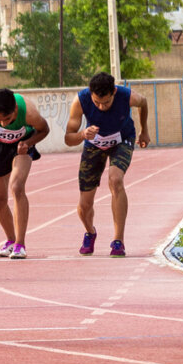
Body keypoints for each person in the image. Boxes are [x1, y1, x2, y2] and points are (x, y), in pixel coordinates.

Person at [63, 72, 150, 256]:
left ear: (114, 92)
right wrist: (82, 134)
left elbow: (144, 103)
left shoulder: (127, 96)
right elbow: (68, 139)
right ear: (90, 94)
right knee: (84, 205)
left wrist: (144, 130)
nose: (102, 107)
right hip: (94, 144)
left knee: (115, 179)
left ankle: (118, 241)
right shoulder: (80, 101)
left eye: (107, 102)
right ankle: (90, 232)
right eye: (97, 103)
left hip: (122, 139)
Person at [0, 88, 51, 259]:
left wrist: (29, 142)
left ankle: (20, 245)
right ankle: (10, 240)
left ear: (15, 109)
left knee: (16, 187)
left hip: (21, 147)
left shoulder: (29, 113)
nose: (3, 124)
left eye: (7, 119)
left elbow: (45, 129)